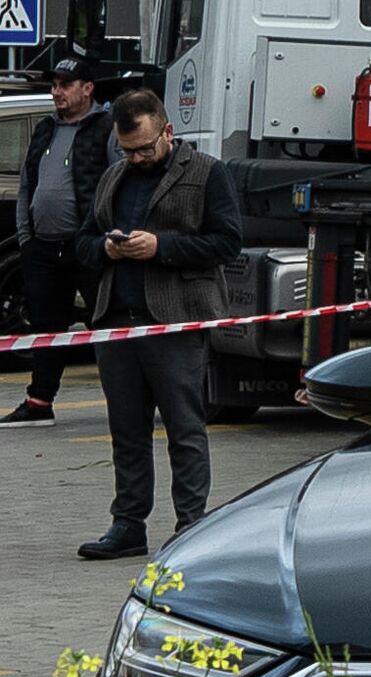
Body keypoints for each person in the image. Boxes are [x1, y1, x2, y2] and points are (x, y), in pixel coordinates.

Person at [73, 89, 242, 560]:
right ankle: (128, 524)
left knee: (185, 430)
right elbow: (83, 241)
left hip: (175, 322)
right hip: (117, 323)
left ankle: (191, 525)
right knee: (126, 432)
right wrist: (106, 248)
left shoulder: (208, 172)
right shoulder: (114, 176)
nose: (138, 157)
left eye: (146, 147)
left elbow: (228, 242)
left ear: (168, 131)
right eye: (128, 150)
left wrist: (161, 247)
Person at [0, 54, 117, 429]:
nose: (57, 92)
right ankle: (38, 403)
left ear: (87, 89)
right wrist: (26, 236)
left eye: (65, 85)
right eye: (54, 85)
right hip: (43, 247)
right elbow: (26, 185)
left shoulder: (106, 128)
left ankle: (125, 401)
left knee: (107, 324)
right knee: (45, 329)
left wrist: (105, 234)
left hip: (87, 245)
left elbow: (121, 182)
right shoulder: (46, 129)